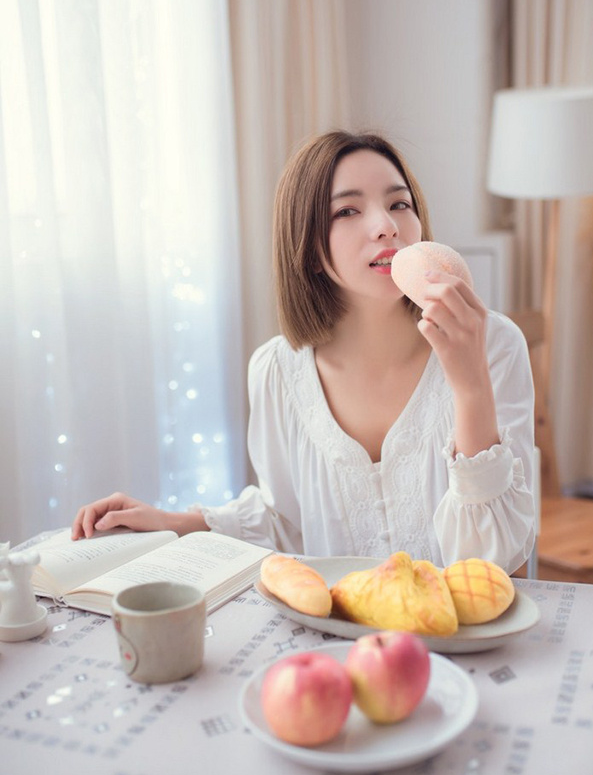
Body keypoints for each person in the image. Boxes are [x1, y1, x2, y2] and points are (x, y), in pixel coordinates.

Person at [72, 130, 535, 573]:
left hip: (461, 642)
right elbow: (286, 525)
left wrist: (469, 383)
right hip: (336, 642)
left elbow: (500, 561)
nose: (387, 226)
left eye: (399, 204)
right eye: (347, 212)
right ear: (310, 249)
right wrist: (168, 522)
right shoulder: (276, 371)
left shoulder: (492, 343)